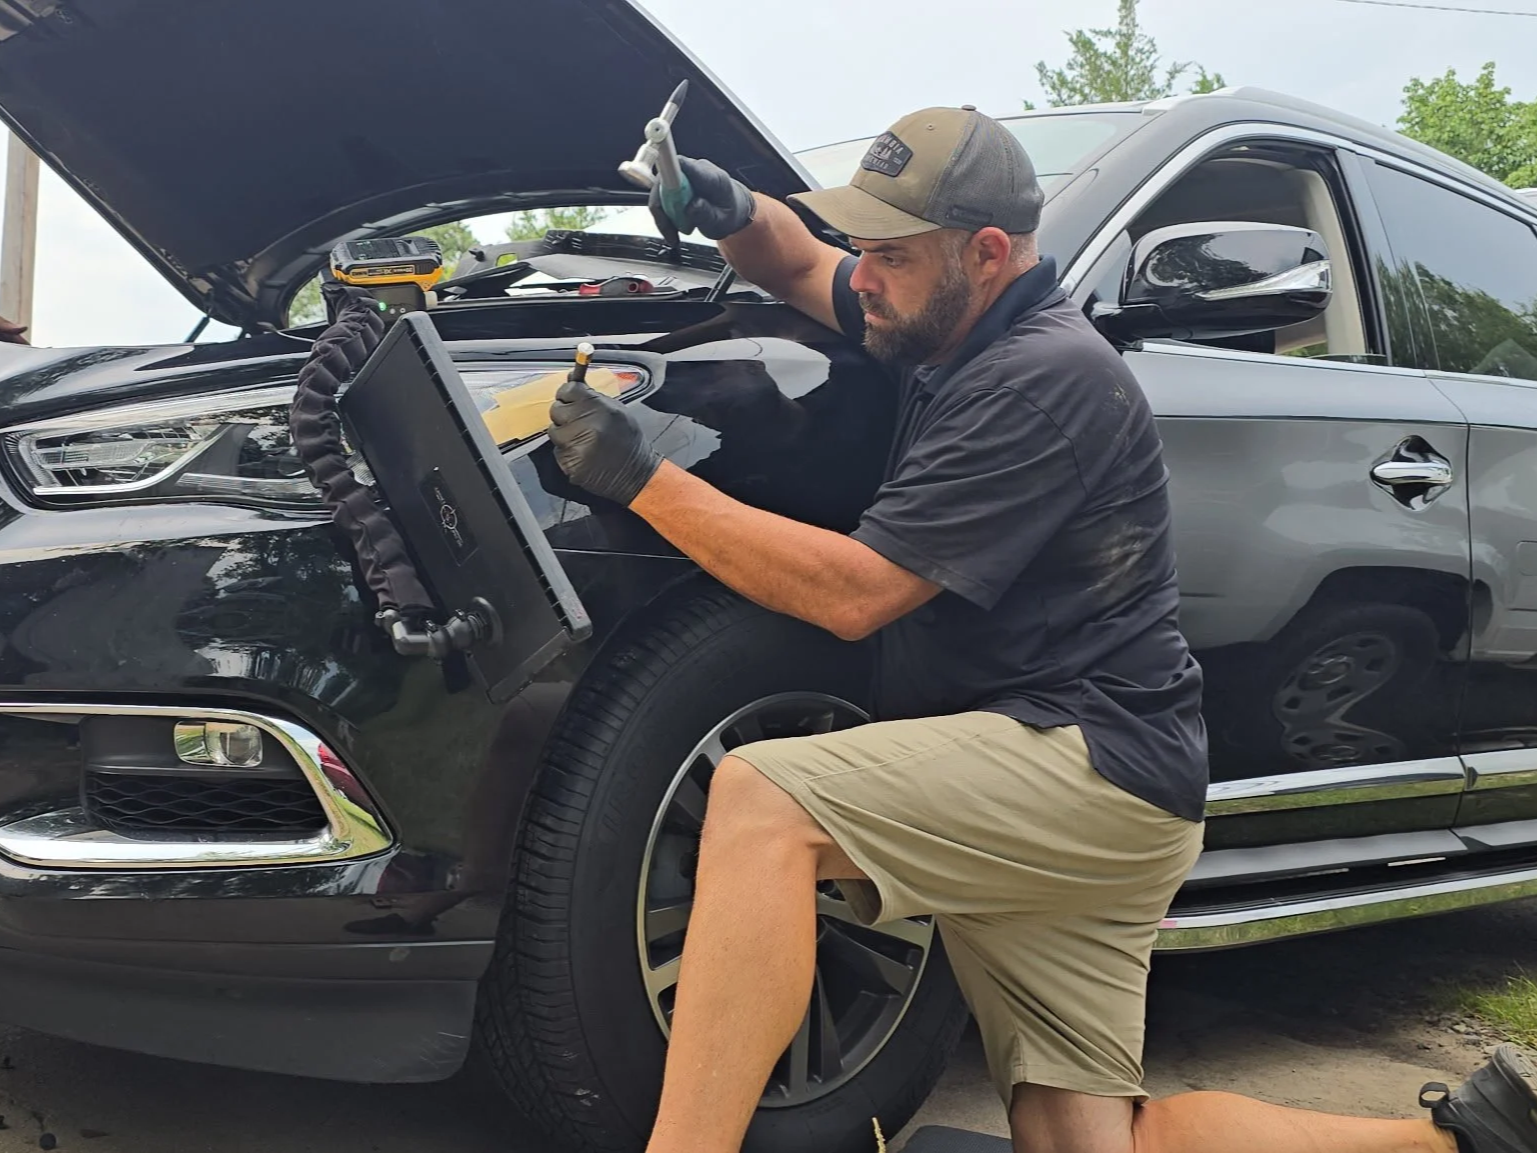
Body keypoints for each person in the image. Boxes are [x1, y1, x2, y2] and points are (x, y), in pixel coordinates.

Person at [547, 105, 1535, 1153]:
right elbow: (797, 262)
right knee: (1085, 1136)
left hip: (1086, 766)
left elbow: (853, 594)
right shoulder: (939, 315)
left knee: (762, 802)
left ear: (983, 251)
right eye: (865, 246)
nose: (863, 274)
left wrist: (640, 477)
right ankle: (1466, 1141)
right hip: (1117, 778)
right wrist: (722, 202)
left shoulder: (1043, 377)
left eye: (888, 253)